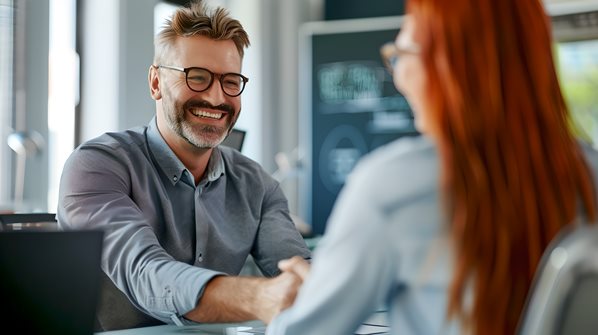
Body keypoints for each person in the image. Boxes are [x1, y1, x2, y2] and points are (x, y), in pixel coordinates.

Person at [266, 0, 598, 334]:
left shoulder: (392, 185)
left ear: (448, 63)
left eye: (402, 54)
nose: (399, 78)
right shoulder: (590, 172)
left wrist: (309, 299)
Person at [57, 0, 310, 331]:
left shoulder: (256, 185)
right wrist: (259, 298)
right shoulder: (96, 166)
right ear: (156, 83)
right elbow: (146, 273)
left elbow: (298, 271)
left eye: (231, 81)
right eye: (198, 77)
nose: (217, 98)